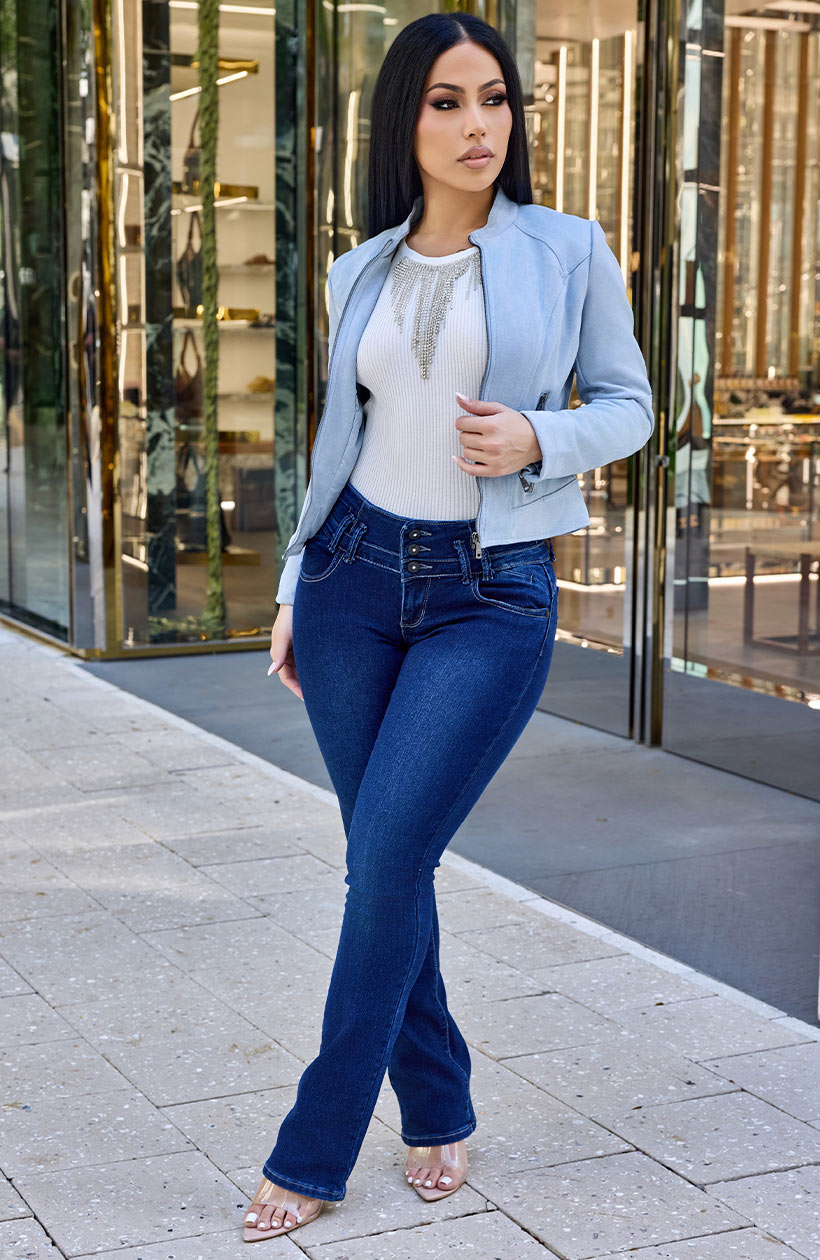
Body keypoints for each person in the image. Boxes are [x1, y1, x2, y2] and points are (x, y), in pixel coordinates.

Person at [243, 11, 654, 1243]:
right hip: (352, 583)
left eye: (494, 99)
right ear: (404, 122)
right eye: (446, 103)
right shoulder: (355, 267)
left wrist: (544, 437)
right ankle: (437, 1101)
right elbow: (337, 440)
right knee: (387, 864)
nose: (479, 126)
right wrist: (289, 591)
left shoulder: (568, 251)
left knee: (388, 862)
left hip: (489, 592)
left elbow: (632, 404)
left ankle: (316, 1143)